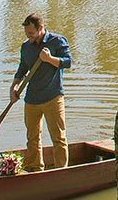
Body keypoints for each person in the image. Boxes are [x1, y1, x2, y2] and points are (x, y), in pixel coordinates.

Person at [9, 11, 72, 172]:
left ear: (41, 28)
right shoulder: (26, 47)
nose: (29, 37)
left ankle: (61, 171)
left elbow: (68, 62)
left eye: (31, 33)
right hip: (32, 99)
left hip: (53, 97)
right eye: (26, 33)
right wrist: (14, 86)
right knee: (32, 138)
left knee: (58, 137)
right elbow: (22, 68)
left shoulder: (57, 41)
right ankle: (35, 169)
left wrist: (49, 59)